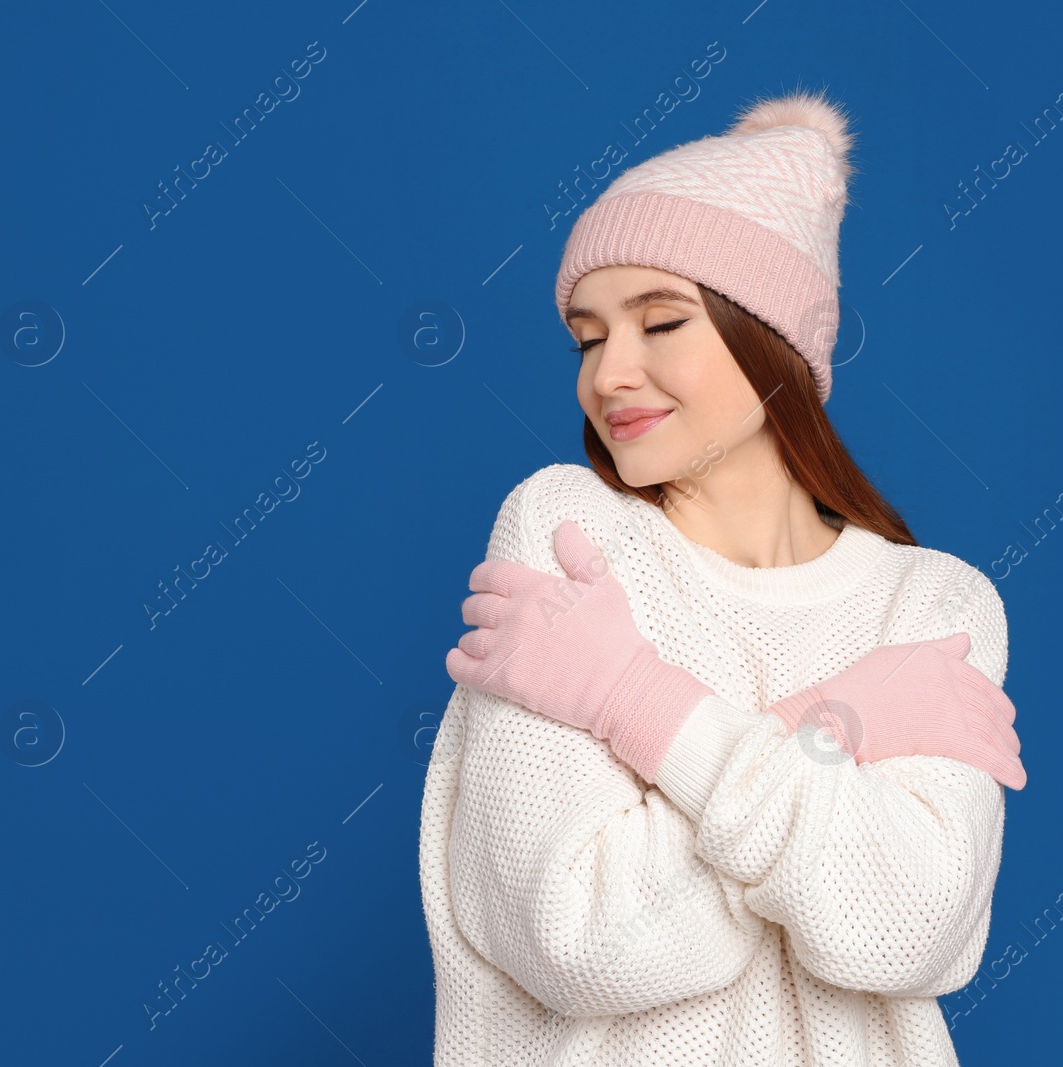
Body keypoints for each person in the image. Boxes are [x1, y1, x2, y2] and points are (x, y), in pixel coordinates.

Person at [420, 88, 1027, 1066]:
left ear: (776, 340)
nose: (609, 373)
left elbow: (901, 932)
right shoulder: (569, 531)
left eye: (660, 323)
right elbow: (584, 940)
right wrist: (840, 719)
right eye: (587, 335)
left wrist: (640, 705)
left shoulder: (936, 603)